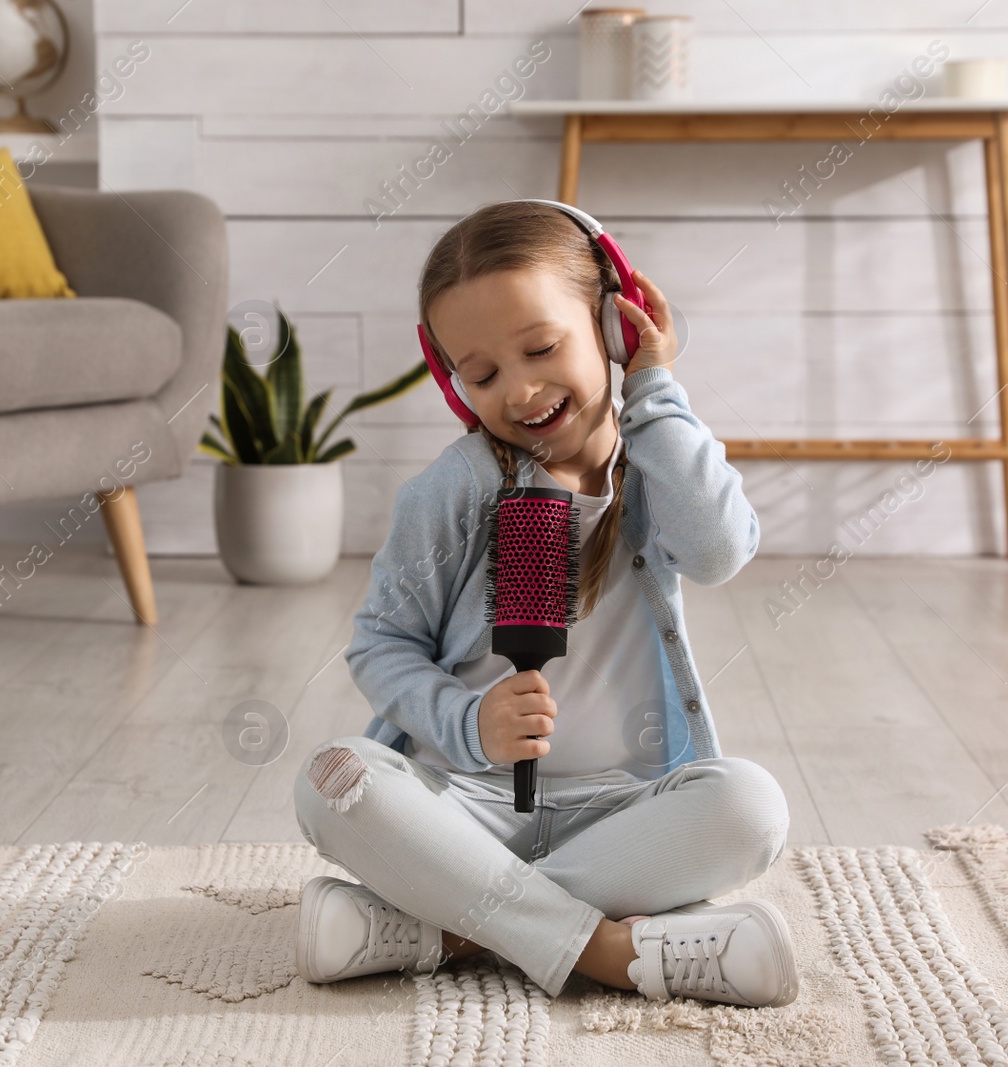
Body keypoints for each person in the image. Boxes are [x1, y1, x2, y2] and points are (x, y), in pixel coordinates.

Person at [291, 200, 796, 1006]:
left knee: (751, 806)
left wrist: (653, 385)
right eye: (483, 374)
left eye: (542, 348)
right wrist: (468, 720)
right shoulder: (457, 488)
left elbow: (720, 549)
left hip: (621, 813)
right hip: (467, 803)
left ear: (611, 322)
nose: (520, 390)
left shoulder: (660, 462)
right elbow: (380, 644)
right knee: (332, 777)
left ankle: (447, 925)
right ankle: (607, 951)